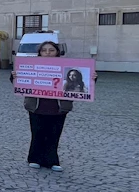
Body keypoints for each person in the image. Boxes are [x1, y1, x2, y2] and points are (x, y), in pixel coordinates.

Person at [10, 41, 97, 172]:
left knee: (54, 134)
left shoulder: (68, 66)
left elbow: (83, 84)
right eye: (44, 50)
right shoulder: (30, 65)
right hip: (37, 105)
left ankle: (52, 160)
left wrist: (92, 77)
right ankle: (34, 158)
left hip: (58, 107)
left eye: (51, 50)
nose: (47, 53)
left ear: (57, 52)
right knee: (37, 133)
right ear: (39, 53)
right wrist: (14, 76)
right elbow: (19, 82)